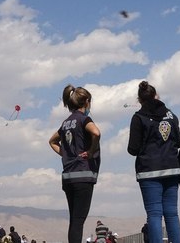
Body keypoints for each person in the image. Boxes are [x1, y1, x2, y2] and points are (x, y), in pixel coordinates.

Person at [127, 81, 180, 243]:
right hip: (172, 168)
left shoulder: (138, 117)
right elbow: (178, 143)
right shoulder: (172, 116)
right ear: (156, 95)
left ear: (139, 99)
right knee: (172, 213)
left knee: (154, 214)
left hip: (149, 170)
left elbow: (133, 149)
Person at [48, 85, 101, 243]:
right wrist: (91, 151)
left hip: (68, 177)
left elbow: (52, 141)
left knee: (74, 221)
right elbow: (96, 132)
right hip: (83, 175)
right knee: (79, 221)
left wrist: (65, 153)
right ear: (87, 101)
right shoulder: (84, 119)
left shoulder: (66, 123)